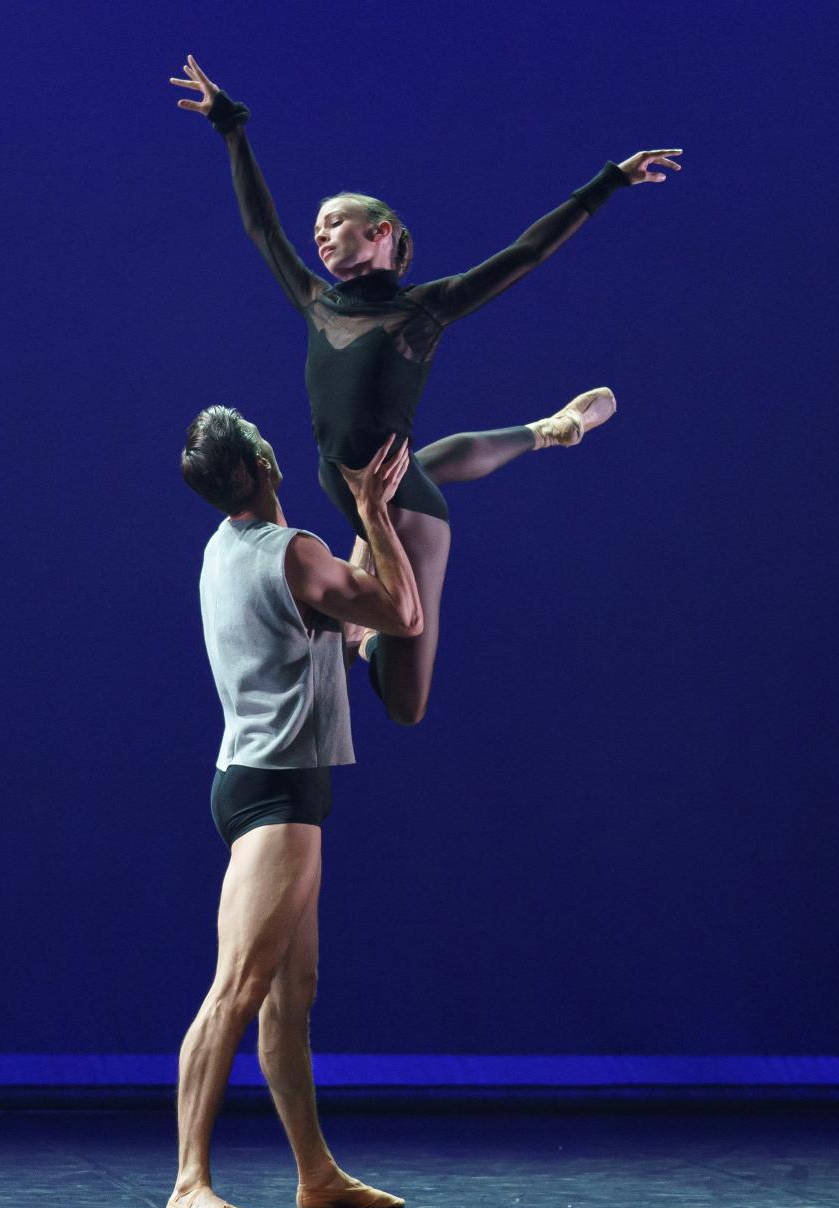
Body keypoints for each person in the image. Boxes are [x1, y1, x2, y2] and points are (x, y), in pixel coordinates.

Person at [170, 53, 680, 724]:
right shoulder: (318, 304)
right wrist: (230, 125)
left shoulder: (422, 311)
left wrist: (608, 182)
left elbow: (525, 253)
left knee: (405, 707)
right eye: (316, 225)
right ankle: (546, 430)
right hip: (361, 495)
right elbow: (261, 228)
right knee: (420, 462)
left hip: (406, 518)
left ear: (379, 233)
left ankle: (548, 432)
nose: (318, 233)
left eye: (334, 221)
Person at [170, 405, 420, 1208]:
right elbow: (399, 616)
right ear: (267, 462)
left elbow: (336, 632)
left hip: (273, 790)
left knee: (290, 997)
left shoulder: (229, 551)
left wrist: (357, 520)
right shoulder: (290, 554)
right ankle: (189, 1185)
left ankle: (316, 1173)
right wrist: (379, 516)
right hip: (276, 797)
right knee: (237, 990)